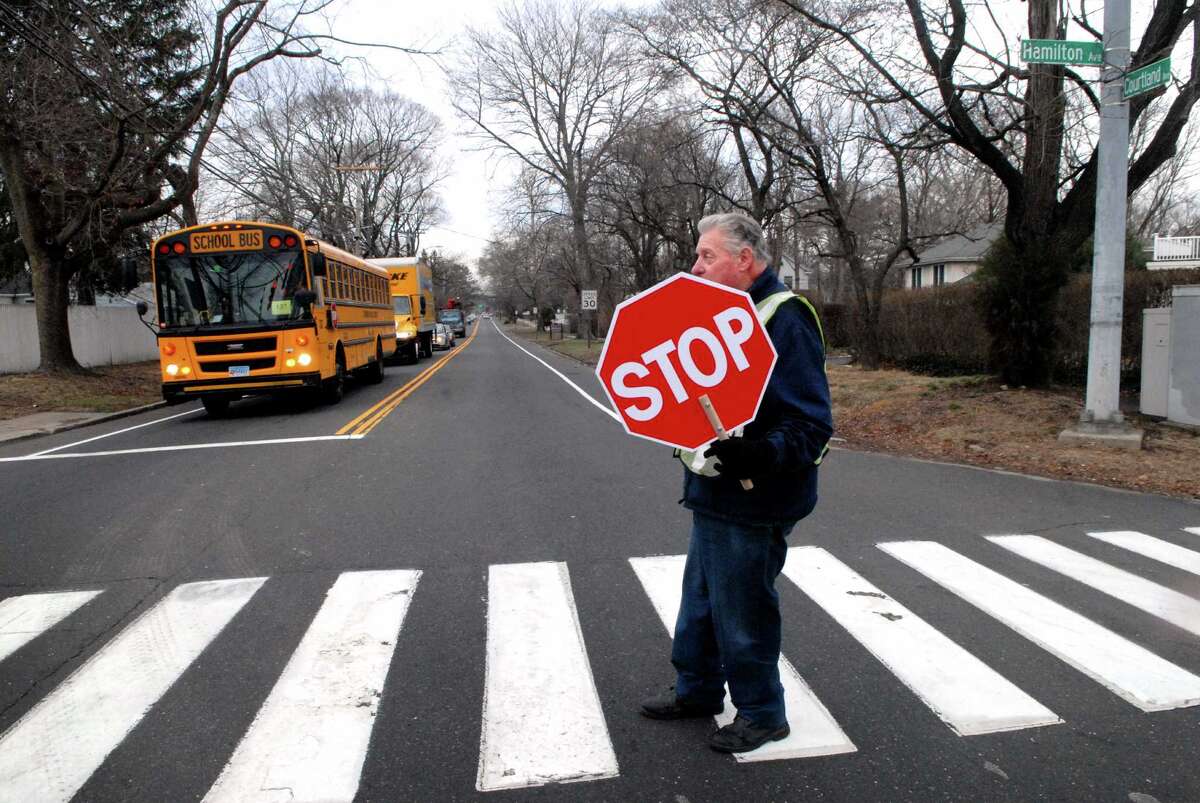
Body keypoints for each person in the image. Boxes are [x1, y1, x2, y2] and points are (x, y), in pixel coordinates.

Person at [640, 212, 833, 753]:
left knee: (743, 610)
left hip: (757, 496)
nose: (694, 267)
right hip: (716, 492)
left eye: (706, 256)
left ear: (743, 260)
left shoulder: (784, 318)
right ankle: (698, 690)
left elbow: (811, 425)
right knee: (701, 601)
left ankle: (763, 714)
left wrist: (756, 456)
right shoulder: (722, 315)